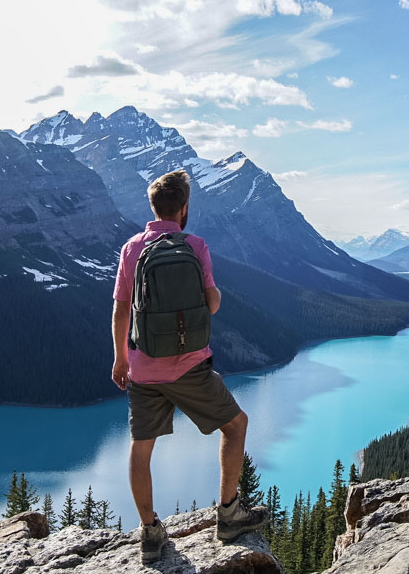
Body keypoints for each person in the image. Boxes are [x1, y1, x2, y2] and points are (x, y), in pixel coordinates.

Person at [112, 170, 269, 560]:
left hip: (143, 368)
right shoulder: (195, 245)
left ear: (152, 207)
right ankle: (229, 514)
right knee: (236, 426)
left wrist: (120, 359)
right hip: (189, 366)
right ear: (184, 209)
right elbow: (212, 304)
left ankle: (149, 533)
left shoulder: (132, 248)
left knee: (140, 447)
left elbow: (119, 310)